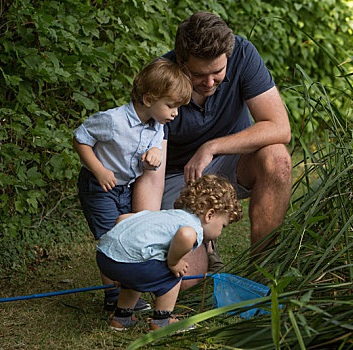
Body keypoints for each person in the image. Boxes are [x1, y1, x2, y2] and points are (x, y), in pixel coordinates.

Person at [132, 11, 292, 288]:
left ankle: (262, 274)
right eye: (198, 75)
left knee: (277, 159)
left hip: (230, 163)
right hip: (177, 179)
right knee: (184, 280)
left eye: (218, 72)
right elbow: (151, 174)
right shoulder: (158, 80)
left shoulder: (242, 53)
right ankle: (204, 241)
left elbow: (280, 127)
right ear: (180, 62)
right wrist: (141, 230)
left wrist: (212, 147)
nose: (209, 83)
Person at [73, 58, 193, 311]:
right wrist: (99, 169)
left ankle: (126, 291)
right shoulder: (113, 121)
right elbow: (80, 138)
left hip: (125, 187)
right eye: (171, 106)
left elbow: (154, 145)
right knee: (109, 237)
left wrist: (155, 154)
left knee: (128, 231)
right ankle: (114, 297)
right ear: (149, 99)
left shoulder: (157, 125)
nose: (175, 113)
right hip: (98, 186)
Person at [96, 175, 242, 331]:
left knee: (138, 268)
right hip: (125, 263)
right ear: (210, 215)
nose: (220, 232)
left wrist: (118, 261)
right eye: (223, 226)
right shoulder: (194, 227)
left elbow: (122, 219)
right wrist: (174, 263)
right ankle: (161, 321)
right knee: (174, 273)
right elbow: (186, 235)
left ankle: (122, 318)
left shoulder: (170, 215)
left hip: (106, 256)